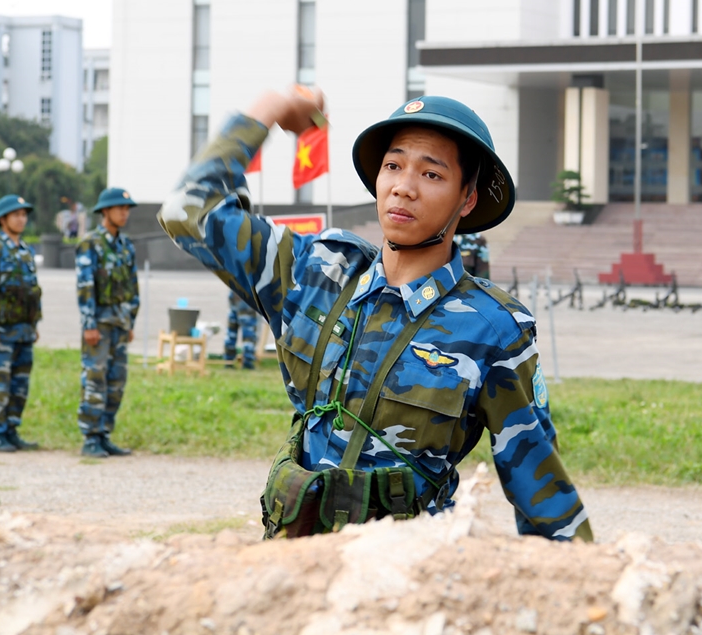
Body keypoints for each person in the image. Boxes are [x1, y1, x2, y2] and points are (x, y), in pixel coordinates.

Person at [159, 89, 592, 542]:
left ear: (466, 200)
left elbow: (544, 495)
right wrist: (266, 110)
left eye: (431, 173)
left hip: (403, 582)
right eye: (393, 166)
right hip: (291, 567)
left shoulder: (494, 328)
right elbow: (186, 211)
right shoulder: (315, 273)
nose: (404, 186)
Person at [0, 195, 43, 452]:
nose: (21, 219)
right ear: (2, 219)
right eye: (16, 215)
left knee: (19, 385)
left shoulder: (26, 251)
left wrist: (34, 324)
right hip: (1, 331)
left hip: (23, 330)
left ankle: (11, 429)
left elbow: (32, 290)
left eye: (24, 215)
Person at [75, 187, 140, 458]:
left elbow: (132, 287)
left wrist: (131, 322)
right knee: (95, 379)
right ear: (105, 211)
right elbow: (85, 286)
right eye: (119, 208)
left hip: (120, 326)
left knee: (116, 382)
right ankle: (90, 437)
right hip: (98, 327)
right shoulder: (90, 244)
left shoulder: (126, 246)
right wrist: (89, 324)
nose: (124, 213)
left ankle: (104, 434)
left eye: (126, 209)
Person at [224, 289, 258, 369]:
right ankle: (247, 361)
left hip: (233, 291)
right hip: (246, 293)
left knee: (231, 330)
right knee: (249, 331)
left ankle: (229, 360)